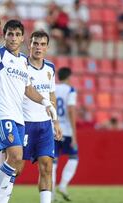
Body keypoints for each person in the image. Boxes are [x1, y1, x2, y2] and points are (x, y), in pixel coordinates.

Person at [0, 9, 59, 203]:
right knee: (15, 157)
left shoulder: (24, 61)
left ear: (22, 38)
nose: (13, 38)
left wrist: (46, 101)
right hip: (1, 113)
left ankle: (1, 199)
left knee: (16, 162)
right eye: (10, 34)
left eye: (17, 34)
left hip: (18, 117)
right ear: (4, 36)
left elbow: (28, 88)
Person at [22, 30, 62, 203]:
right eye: (35, 43)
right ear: (29, 44)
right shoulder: (21, 65)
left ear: (47, 47)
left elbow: (52, 96)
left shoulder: (50, 68)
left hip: (45, 125)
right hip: (24, 123)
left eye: (42, 44)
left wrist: (56, 122)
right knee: (16, 168)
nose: (39, 47)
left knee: (46, 167)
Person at [53, 67, 78, 201]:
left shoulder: (53, 88)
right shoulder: (71, 90)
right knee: (74, 157)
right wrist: (74, 133)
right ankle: (62, 185)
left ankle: (50, 194)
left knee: (53, 161)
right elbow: (71, 110)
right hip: (67, 130)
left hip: (53, 128)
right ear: (69, 77)